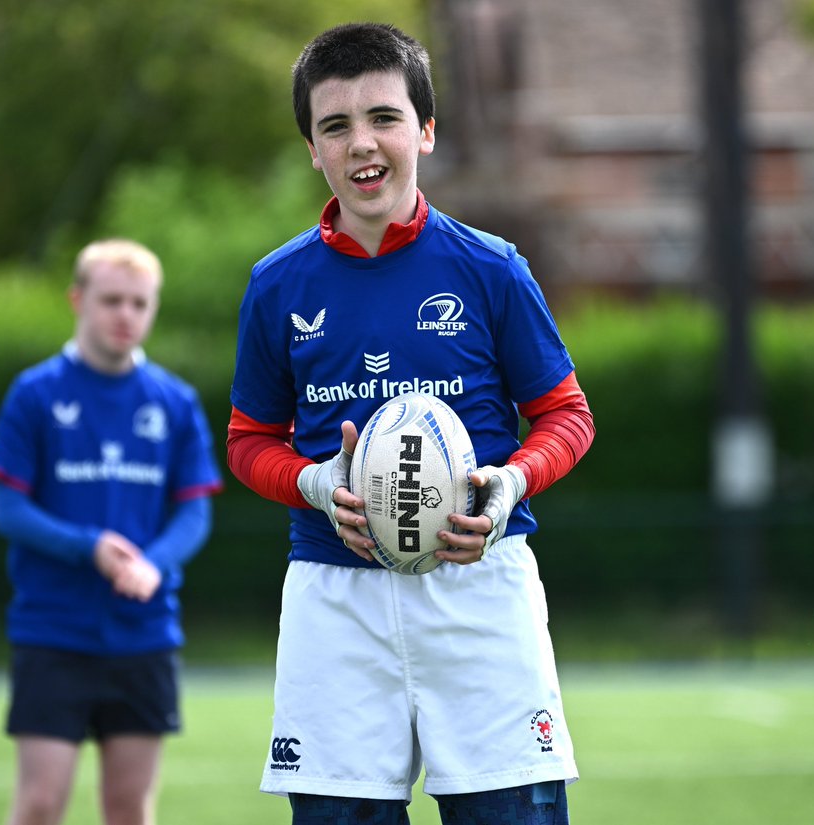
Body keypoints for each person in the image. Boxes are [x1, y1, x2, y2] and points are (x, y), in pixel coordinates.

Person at [226, 22, 595, 825]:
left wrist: (509, 485)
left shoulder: (492, 267)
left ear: (426, 131)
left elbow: (565, 415)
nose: (363, 143)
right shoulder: (277, 284)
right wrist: (316, 483)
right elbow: (249, 440)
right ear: (312, 149)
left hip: (480, 589)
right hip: (335, 597)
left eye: (384, 117)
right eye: (335, 125)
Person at [0, 238, 223, 825]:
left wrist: (152, 564)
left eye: (140, 303)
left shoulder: (175, 402)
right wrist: (89, 548)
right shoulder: (34, 393)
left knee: (129, 811)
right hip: (53, 631)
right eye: (111, 300)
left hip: (144, 635)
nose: (126, 315)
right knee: (39, 805)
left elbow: (194, 512)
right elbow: (7, 508)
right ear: (78, 300)